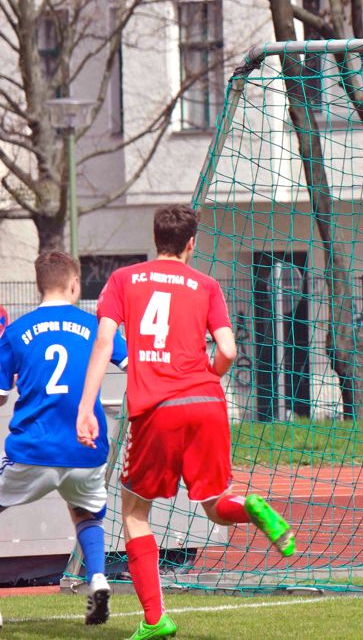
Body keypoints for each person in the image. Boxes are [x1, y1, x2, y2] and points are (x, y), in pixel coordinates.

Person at [76, 205, 296, 640]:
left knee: (134, 512)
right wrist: (208, 376)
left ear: (155, 238)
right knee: (215, 505)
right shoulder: (207, 285)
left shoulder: (123, 279)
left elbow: (103, 341)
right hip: (207, 401)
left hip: (158, 408)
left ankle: (155, 619)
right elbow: (228, 350)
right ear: (191, 243)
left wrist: (87, 406)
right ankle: (251, 507)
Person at [0, 252, 127, 625]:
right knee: (87, 512)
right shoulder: (96, 326)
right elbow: (131, 365)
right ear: (74, 285)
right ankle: (98, 577)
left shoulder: (16, 331)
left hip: (33, 449)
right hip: (85, 448)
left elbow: (1, 394)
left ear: (38, 285)